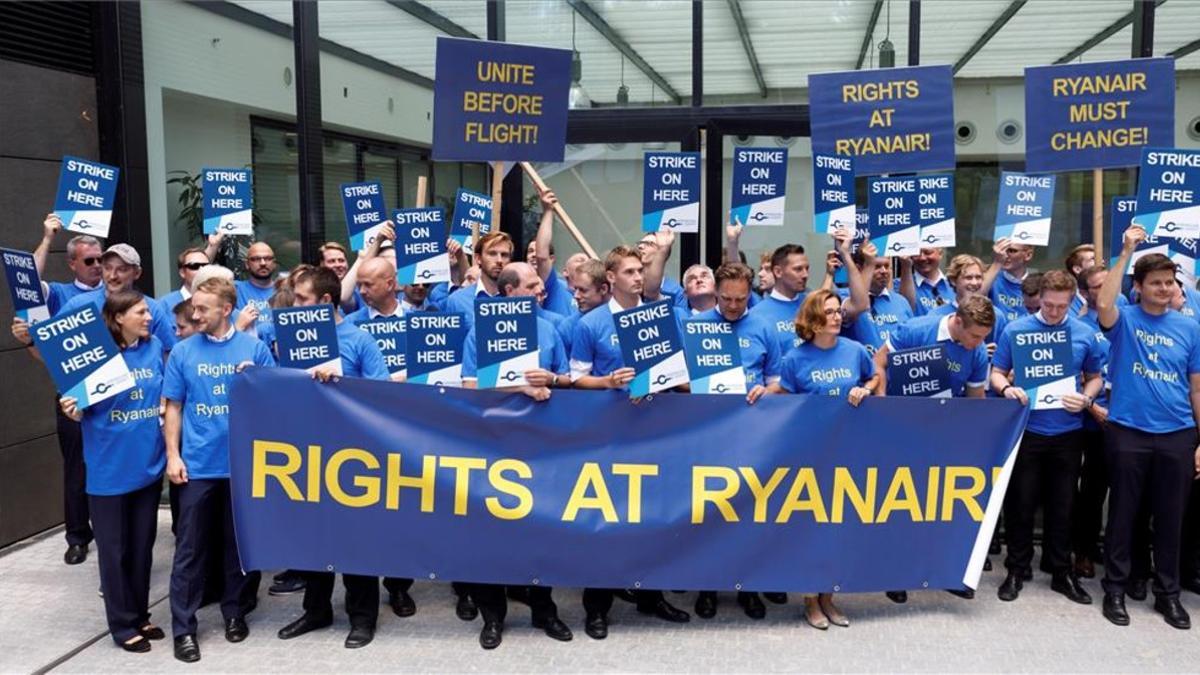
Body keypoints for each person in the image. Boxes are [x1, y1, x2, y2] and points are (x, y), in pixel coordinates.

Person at [569, 244, 691, 638]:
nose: (638, 277)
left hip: (656, 432)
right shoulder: (591, 324)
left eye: (640, 270)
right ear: (611, 279)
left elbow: (680, 374)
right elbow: (576, 379)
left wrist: (661, 381)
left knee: (654, 517)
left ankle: (650, 596)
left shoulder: (661, 315)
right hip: (610, 436)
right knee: (606, 521)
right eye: (630, 272)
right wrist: (609, 383)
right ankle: (597, 608)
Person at [277, 267, 392, 649]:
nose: (295, 306)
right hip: (307, 454)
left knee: (357, 539)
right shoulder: (290, 338)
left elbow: (383, 396)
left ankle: (362, 618)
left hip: (353, 456)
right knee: (312, 537)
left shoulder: (360, 341)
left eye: (302, 299)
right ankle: (316, 609)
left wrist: (340, 383)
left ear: (325, 302)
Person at [460, 261, 573, 648]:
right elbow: (470, 386)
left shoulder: (551, 328)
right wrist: (518, 389)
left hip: (542, 449)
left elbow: (567, 383)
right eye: (530, 285)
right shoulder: (480, 331)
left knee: (542, 533)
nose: (540, 289)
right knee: (488, 537)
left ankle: (545, 611)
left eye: (540, 283)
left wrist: (553, 382)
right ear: (509, 292)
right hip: (492, 448)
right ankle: (492, 618)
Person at [164, 275, 275, 662]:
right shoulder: (182, 352)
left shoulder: (254, 349)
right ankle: (184, 628)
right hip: (198, 466)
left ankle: (235, 613)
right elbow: (173, 407)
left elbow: (276, 403)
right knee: (190, 550)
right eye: (193, 307)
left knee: (237, 548)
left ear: (226, 310)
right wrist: (173, 456)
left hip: (242, 466)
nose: (194, 314)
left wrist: (255, 381)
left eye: (202, 309)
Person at [1095, 225, 1199, 630]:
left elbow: (1196, 387)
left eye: (1169, 282)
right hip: (1128, 431)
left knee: (1171, 519)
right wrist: (1126, 251)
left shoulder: (1190, 327)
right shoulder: (1124, 320)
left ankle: (1168, 595)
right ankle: (1115, 590)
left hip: (1177, 434)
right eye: (1155, 282)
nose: (1164, 288)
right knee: (1122, 515)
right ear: (1137, 287)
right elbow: (1104, 301)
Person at [58, 290, 166, 653]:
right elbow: (75, 407)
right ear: (119, 318)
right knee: (115, 551)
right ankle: (121, 625)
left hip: (148, 469)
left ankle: (139, 614)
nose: (149, 317)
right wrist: (72, 409)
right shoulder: (95, 359)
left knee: (141, 549)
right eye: (141, 312)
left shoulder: (154, 349)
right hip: (109, 472)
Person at [989, 270, 1105, 605]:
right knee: (1021, 504)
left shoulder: (1084, 333)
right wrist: (1007, 389)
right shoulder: (1017, 330)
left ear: (1072, 301)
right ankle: (1016, 568)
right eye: (1049, 305)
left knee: (1063, 505)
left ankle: (1060, 572)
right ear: (1040, 298)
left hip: (1068, 432)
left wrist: (1086, 398)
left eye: (1061, 306)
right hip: (1028, 429)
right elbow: (996, 372)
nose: (1054, 312)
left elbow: (1095, 377)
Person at [765, 289, 878, 629]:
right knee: (810, 529)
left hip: (847, 452)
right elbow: (783, 394)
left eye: (837, 311)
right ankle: (810, 601)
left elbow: (874, 375)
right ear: (813, 319)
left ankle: (830, 598)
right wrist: (758, 391)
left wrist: (867, 389)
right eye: (828, 312)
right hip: (810, 455)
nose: (836, 316)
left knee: (838, 528)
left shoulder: (855, 351)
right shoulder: (795, 359)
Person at [874, 295, 995, 602]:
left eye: (983, 337)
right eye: (975, 336)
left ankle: (945, 572)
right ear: (957, 321)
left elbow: (975, 400)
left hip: (942, 436)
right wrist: (885, 402)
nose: (978, 343)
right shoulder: (916, 330)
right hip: (899, 431)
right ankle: (894, 574)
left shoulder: (977, 352)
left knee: (941, 506)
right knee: (900, 505)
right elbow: (879, 361)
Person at [691, 262, 779, 619]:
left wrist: (767, 390)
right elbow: (675, 381)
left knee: (750, 511)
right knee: (708, 512)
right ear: (715, 293)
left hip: (752, 433)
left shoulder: (763, 326)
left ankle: (748, 585)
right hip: (707, 433)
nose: (732, 306)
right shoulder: (694, 327)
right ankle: (707, 586)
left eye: (740, 299)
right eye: (725, 298)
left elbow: (777, 380)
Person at [1071, 266, 1114, 581]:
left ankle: (1112, 551)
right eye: (1099, 286)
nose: (1107, 288)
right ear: (1084, 293)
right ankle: (1083, 552)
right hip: (1090, 422)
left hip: (1128, 419)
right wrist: (1093, 408)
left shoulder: (1127, 319)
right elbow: (1073, 376)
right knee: (1091, 492)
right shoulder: (1078, 327)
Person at [924, 254, 1009, 351]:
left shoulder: (996, 315)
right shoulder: (936, 315)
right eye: (968, 278)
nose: (974, 283)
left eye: (978, 277)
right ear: (953, 281)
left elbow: (1004, 356)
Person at [31, 213, 104, 314]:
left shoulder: (114, 292)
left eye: (100, 259)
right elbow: (30, 280)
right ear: (72, 264)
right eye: (89, 261)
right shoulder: (58, 293)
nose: (97, 265)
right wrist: (47, 239)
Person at [444, 231, 514, 332]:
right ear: (478, 258)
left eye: (504, 255)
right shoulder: (457, 301)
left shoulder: (518, 299)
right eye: (492, 253)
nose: (499, 260)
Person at [749, 243, 811, 354]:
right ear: (778, 272)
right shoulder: (757, 315)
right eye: (798, 269)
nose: (805, 274)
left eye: (807, 268)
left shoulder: (812, 306)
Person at [984, 238, 1034, 323]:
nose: (1005, 255)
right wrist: (997, 263)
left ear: (1028, 255)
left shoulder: (1038, 284)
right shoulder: (991, 277)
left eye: (1011, 251)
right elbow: (974, 299)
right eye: (1002, 250)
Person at [234, 241, 278, 330]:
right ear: (247, 264)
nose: (263, 263)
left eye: (268, 258)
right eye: (256, 259)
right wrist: (213, 246)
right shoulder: (235, 289)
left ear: (274, 263)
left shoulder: (284, 290)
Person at [158, 247, 214, 314]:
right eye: (194, 266)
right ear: (182, 273)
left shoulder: (220, 303)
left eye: (206, 266)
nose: (202, 270)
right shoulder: (164, 305)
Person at [905, 247, 952, 316]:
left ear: (940, 253)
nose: (922, 258)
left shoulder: (954, 286)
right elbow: (906, 309)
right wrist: (906, 267)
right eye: (916, 254)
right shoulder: (900, 285)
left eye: (928, 253)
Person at [1065, 244, 1097, 315]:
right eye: (1093, 259)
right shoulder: (1066, 303)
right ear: (1077, 269)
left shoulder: (1118, 298)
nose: (1102, 261)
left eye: (1101, 257)